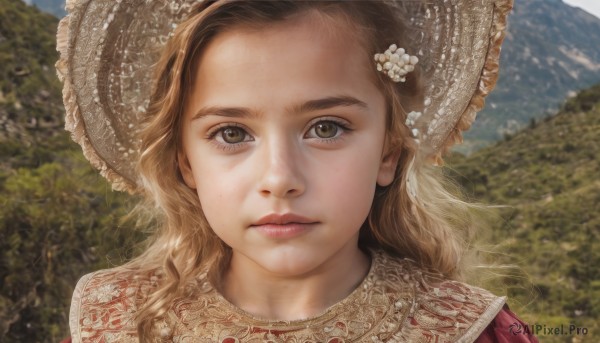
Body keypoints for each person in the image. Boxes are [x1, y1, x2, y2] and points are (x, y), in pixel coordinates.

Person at [56, 0, 538, 342]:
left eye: (326, 127)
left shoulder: (473, 331)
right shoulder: (115, 323)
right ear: (186, 163)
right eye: (231, 133)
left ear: (389, 152)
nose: (279, 177)